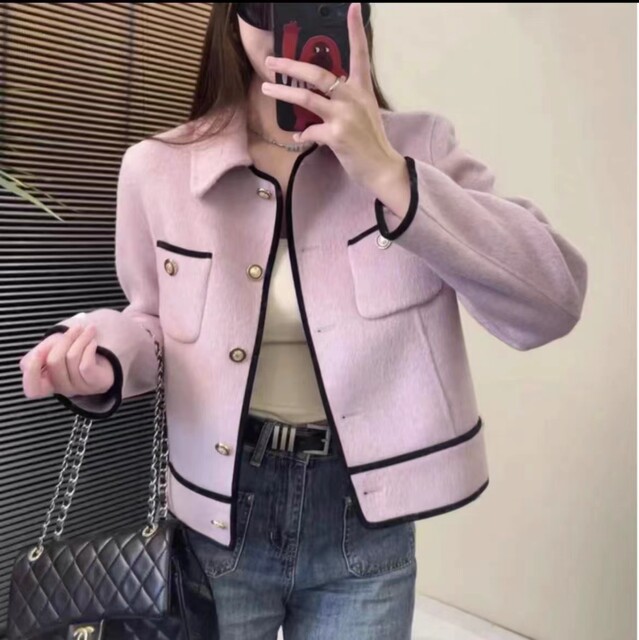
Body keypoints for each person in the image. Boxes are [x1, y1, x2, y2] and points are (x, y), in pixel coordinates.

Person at [19, 3, 588, 639]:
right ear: (232, 16)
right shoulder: (157, 167)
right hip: (219, 516)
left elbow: (553, 301)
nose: (286, 19)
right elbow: (153, 320)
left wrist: (389, 173)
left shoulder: (419, 147)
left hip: (363, 521)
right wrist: (103, 355)